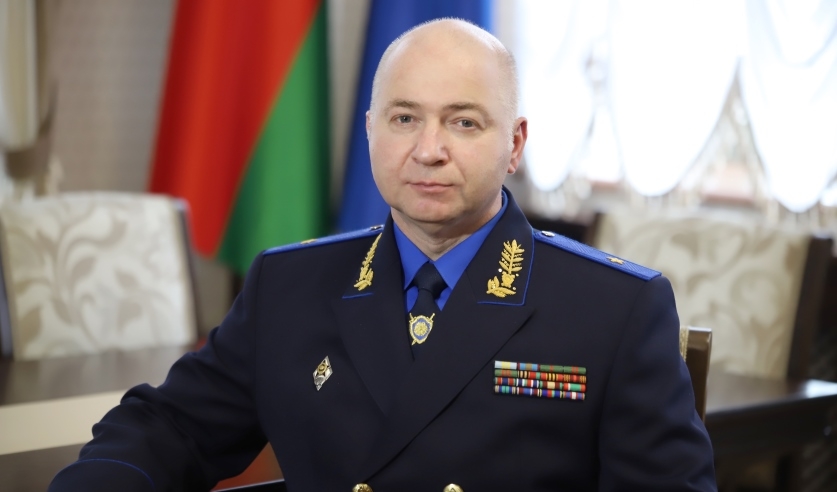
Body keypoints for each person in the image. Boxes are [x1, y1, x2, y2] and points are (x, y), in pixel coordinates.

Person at [50, 19, 716, 491]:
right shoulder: (289, 284)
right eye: (404, 118)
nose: (428, 149)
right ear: (371, 131)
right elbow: (171, 427)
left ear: (514, 144)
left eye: (463, 121)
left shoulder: (613, 310)